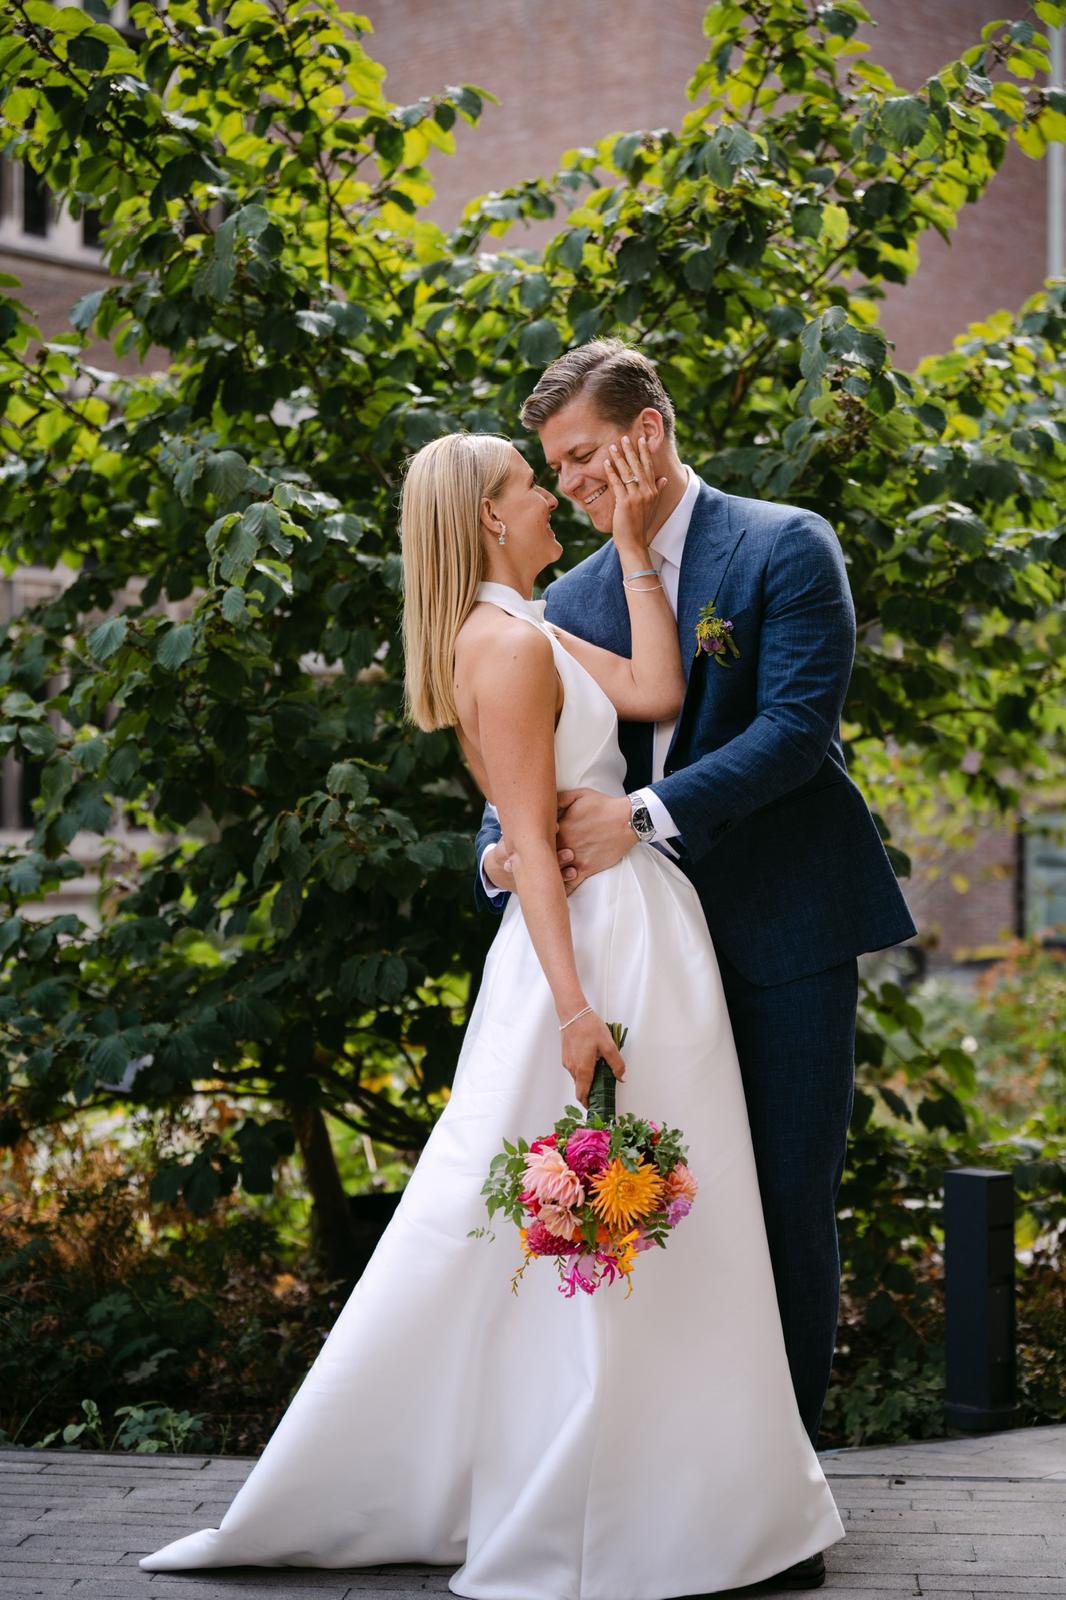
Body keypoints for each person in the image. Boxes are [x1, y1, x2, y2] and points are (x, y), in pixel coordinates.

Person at [140, 427, 847, 1596]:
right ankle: (601, 1484)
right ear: (486, 515)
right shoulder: (504, 643)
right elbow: (522, 836)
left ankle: (705, 1485)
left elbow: (659, 692)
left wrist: (629, 550)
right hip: (593, 946)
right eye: (535, 482)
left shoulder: (540, 618)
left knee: (677, 1202)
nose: (556, 493)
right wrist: (573, 1006)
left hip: (652, 928)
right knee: (586, 1207)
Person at [476, 341, 918, 1577]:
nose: (567, 488)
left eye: (581, 459)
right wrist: (501, 856)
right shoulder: (568, 601)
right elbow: (532, 754)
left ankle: (783, 1504)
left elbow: (792, 730)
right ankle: (668, 1479)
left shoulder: (783, 545)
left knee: (781, 1201)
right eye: (554, 469)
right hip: (631, 961)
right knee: (657, 1208)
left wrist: (644, 821)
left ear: (649, 433)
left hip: (779, 931)